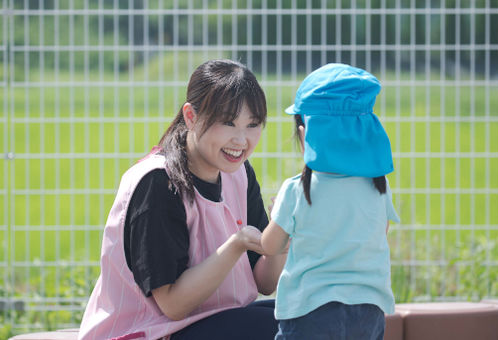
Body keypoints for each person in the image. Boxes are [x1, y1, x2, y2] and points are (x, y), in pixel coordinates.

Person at [79, 59, 286, 340]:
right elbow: (173, 305)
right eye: (227, 122)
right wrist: (236, 244)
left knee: (302, 315)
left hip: (212, 322)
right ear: (191, 116)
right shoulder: (158, 183)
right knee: (279, 330)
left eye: (252, 125)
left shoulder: (239, 174)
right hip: (147, 332)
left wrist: (282, 234)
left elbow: (264, 281)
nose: (241, 140)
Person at [260, 63, 400, 340]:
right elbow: (378, 232)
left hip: (309, 313)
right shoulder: (378, 187)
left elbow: (270, 245)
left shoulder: (297, 190)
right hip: (369, 311)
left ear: (304, 135)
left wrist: (277, 214)